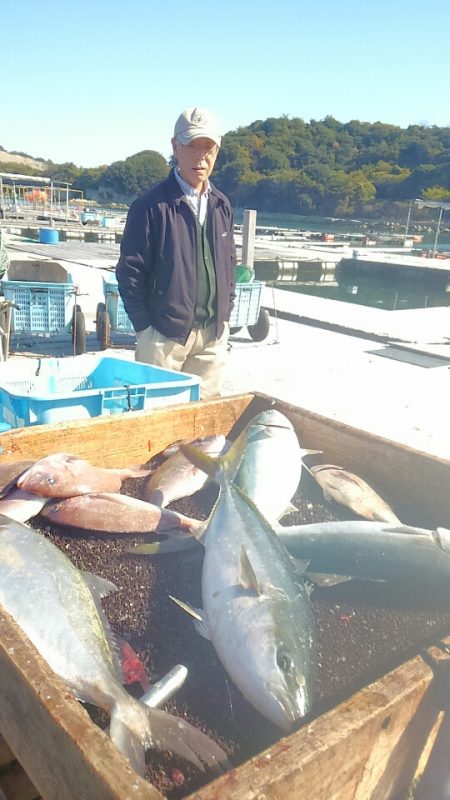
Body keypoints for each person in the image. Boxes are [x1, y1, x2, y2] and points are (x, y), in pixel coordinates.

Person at [115, 106, 236, 399]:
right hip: (163, 334)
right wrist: (145, 328)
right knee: (158, 421)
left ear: (217, 152)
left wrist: (225, 314)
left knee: (205, 424)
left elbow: (229, 264)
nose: (201, 155)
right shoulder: (149, 206)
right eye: (192, 145)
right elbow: (129, 271)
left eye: (208, 147)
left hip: (212, 335)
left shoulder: (222, 205)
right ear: (175, 147)